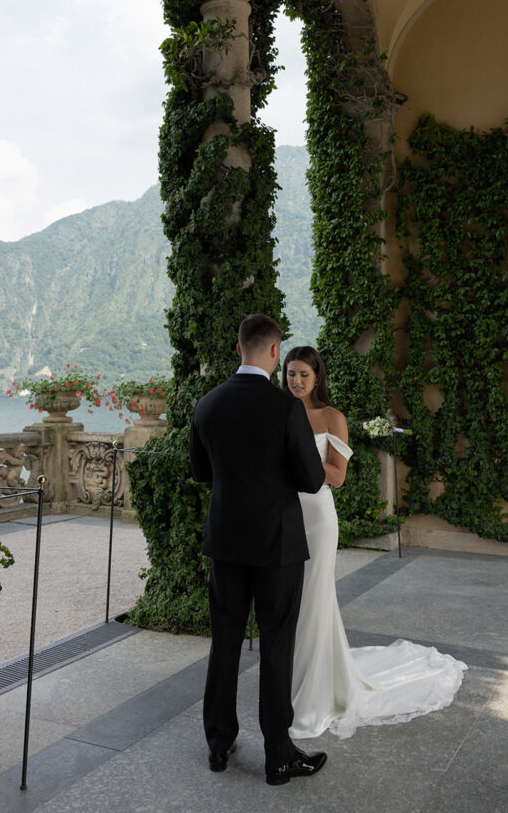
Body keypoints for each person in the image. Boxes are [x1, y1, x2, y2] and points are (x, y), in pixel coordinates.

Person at [282, 345, 467, 740]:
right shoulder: (277, 410)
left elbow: (337, 475)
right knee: (288, 600)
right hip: (282, 515)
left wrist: (299, 455)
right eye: (290, 373)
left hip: (317, 517)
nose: (296, 381)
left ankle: (312, 696)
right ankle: (293, 682)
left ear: (317, 378)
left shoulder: (332, 417)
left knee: (314, 598)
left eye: (303, 375)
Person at [189, 315, 328, 785]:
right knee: (276, 646)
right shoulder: (285, 408)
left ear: (238, 348)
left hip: (226, 543)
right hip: (278, 544)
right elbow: (312, 479)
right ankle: (277, 756)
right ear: (275, 353)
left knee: (224, 643)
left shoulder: (207, 404)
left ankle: (218, 743)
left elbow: (201, 472)